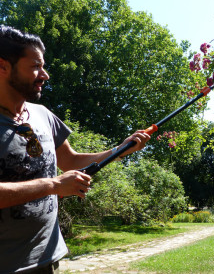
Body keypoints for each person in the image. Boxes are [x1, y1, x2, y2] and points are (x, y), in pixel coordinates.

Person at [0, 25, 151, 273]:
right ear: (3, 66)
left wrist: (119, 150)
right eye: (35, 66)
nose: (45, 74)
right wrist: (55, 185)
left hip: (48, 258)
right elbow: (58, 180)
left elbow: (70, 160)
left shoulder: (43, 115)